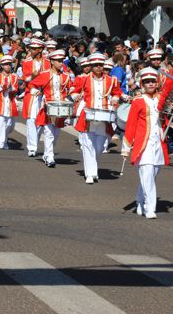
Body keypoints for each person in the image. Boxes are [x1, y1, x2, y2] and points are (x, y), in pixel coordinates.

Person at [71, 52, 123, 183]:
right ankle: (90, 174)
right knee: (88, 145)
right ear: (91, 66)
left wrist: (115, 99)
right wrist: (75, 96)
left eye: (101, 65)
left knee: (100, 147)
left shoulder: (111, 80)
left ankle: (93, 169)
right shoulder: (84, 79)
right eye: (95, 65)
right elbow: (74, 91)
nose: (98, 67)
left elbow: (117, 93)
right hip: (88, 115)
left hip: (104, 116)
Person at [122, 67, 167, 218]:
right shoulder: (138, 101)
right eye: (147, 81)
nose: (150, 84)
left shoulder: (163, 99)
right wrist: (126, 146)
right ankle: (150, 208)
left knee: (153, 174)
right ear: (142, 83)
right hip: (144, 143)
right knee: (147, 172)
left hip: (159, 142)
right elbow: (131, 124)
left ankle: (139, 200)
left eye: (153, 81)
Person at [27, 49, 73, 167]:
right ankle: (50, 157)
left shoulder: (66, 76)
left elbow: (71, 88)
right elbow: (31, 84)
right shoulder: (44, 74)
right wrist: (35, 90)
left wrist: (72, 95)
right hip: (48, 106)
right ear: (52, 61)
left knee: (56, 134)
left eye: (61, 60)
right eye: (58, 61)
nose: (60, 63)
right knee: (49, 133)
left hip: (61, 108)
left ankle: (47, 154)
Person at [21, 38, 46, 157]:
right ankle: (32, 147)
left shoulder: (48, 62)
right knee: (31, 121)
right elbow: (24, 78)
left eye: (34, 49)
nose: (31, 50)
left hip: (45, 94)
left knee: (41, 123)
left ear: (40, 49)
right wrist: (32, 77)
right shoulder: (26, 62)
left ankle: (34, 141)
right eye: (31, 48)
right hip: (31, 94)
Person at [0, 55, 19, 150]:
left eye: (9, 64)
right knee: (0, 122)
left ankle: (4, 139)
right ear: (2, 66)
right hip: (1, 102)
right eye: (5, 64)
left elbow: (15, 90)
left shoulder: (14, 77)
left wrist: (10, 87)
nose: (8, 66)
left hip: (10, 103)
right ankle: (0, 143)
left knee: (9, 125)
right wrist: (1, 86)